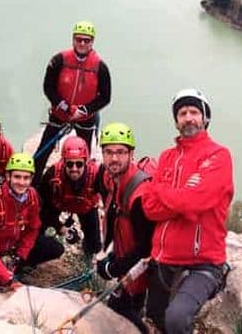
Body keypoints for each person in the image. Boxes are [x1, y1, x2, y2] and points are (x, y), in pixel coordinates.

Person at [142, 89, 234, 334]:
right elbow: (150, 209)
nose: (188, 117)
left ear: (205, 118)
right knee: (154, 316)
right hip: (164, 259)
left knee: (176, 318)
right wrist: (182, 203)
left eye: (194, 112)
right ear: (176, 121)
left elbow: (196, 202)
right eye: (182, 113)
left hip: (202, 262)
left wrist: (162, 190)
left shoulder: (218, 155)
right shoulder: (167, 157)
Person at [33, 20, 111, 185]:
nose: (82, 43)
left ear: (92, 42)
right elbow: (48, 87)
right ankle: (33, 185)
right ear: (73, 39)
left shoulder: (100, 67)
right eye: (79, 39)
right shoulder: (59, 60)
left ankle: (83, 188)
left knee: (85, 157)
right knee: (43, 151)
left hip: (85, 118)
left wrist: (84, 110)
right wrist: (66, 107)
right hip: (60, 114)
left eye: (87, 40)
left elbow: (105, 97)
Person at [95, 122, 154, 334]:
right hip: (126, 256)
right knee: (117, 308)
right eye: (109, 152)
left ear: (131, 154)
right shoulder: (110, 178)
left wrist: (114, 268)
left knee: (124, 313)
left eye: (121, 152)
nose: (114, 158)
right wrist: (110, 252)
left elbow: (146, 247)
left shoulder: (140, 194)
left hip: (143, 269)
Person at [0, 152, 64, 289]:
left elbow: (33, 228)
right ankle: (8, 273)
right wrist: (8, 280)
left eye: (26, 178)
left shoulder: (32, 196)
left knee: (55, 248)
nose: (22, 183)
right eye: (17, 177)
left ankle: (18, 267)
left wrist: (20, 256)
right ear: (7, 176)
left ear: (31, 179)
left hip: (15, 247)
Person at [37, 135, 102, 257]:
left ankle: (88, 252)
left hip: (86, 207)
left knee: (95, 245)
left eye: (79, 164)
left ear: (86, 162)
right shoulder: (52, 175)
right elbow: (41, 206)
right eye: (70, 164)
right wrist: (60, 227)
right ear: (63, 162)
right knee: (38, 226)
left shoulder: (97, 176)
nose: (74, 169)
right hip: (58, 203)